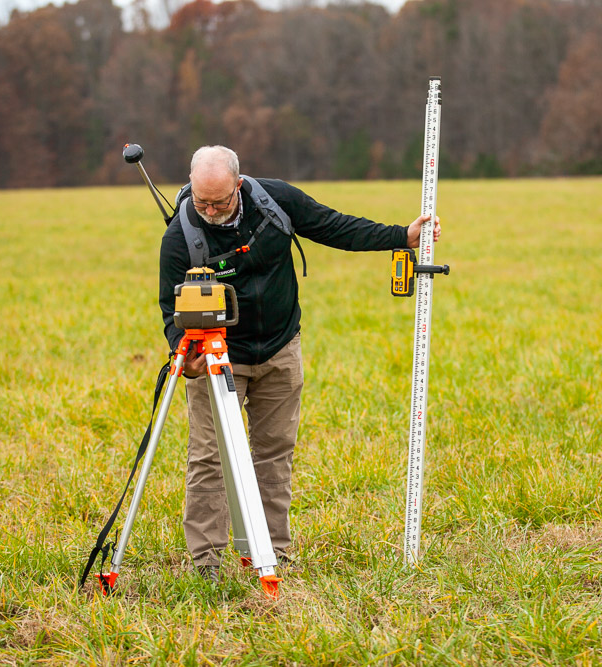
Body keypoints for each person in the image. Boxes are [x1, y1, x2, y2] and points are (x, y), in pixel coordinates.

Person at [159, 145, 441, 581]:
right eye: (202, 201)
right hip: (217, 358)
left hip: (279, 348)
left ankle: (271, 553)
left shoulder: (275, 201)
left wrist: (401, 236)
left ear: (239, 184)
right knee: (209, 458)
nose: (211, 210)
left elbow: (333, 227)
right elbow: (169, 308)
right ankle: (206, 563)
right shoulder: (180, 235)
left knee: (274, 454)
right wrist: (186, 355)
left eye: (219, 200)